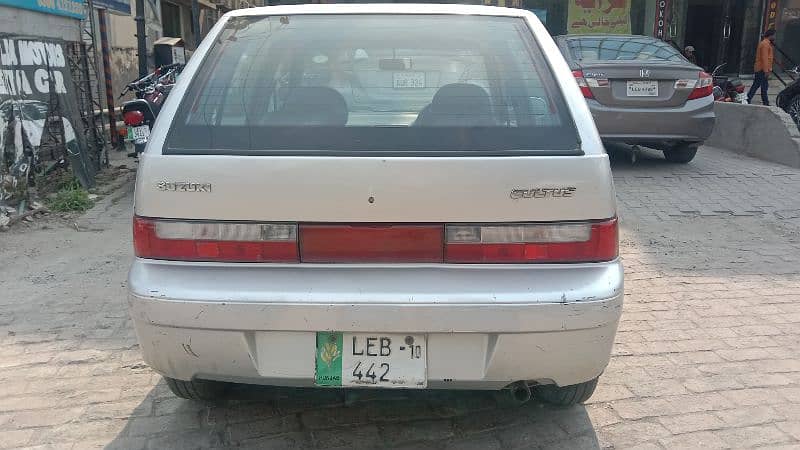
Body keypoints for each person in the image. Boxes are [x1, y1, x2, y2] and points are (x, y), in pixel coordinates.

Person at [747, 29, 776, 106]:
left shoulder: (766, 43)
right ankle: (763, 102)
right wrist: (766, 70)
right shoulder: (765, 44)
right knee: (760, 86)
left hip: (762, 69)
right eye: (774, 35)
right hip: (761, 69)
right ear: (770, 35)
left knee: (761, 86)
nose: (774, 37)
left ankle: (750, 99)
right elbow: (764, 58)